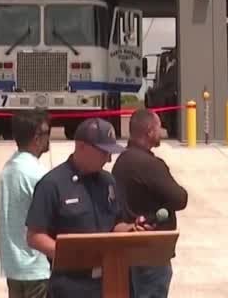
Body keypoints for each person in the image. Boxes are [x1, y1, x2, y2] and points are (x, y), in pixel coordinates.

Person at [26, 117, 148, 297]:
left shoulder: (108, 182)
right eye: (104, 152)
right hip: (71, 286)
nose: (108, 159)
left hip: (111, 282)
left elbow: (115, 225)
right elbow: (35, 236)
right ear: (82, 146)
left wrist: (131, 229)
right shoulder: (52, 184)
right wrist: (71, 255)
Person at [111, 108, 188, 297]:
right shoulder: (150, 164)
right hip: (151, 251)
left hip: (127, 248)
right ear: (149, 131)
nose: (161, 132)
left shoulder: (122, 161)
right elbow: (180, 198)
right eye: (158, 127)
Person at [0, 109, 53, 298]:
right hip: (36, 266)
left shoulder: (8, 169)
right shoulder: (37, 173)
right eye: (47, 134)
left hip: (13, 265)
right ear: (37, 138)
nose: (48, 139)